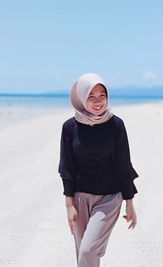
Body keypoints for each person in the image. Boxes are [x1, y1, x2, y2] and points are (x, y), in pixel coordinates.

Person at [58, 73, 138, 267]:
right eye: (90, 96)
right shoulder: (70, 127)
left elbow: (123, 164)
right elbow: (67, 167)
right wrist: (69, 205)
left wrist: (129, 202)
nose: (97, 101)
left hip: (109, 198)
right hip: (79, 199)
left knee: (88, 250)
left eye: (102, 95)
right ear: (81, 98)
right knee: (83, 256)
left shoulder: (116, 124)